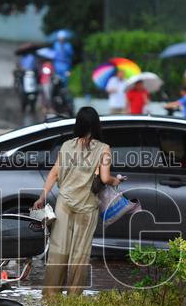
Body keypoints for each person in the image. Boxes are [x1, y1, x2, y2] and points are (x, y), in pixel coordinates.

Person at [33, 106, 124, 296]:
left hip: (64, 204)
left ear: (78, 124)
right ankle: (74, 297)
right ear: (96, 124)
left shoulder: (67, 146)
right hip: (87, 207)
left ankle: (50, 296)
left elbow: (54, 173)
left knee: (58, 251)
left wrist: (42, 196)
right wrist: (117, 180)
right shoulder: (103, 149)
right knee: (79, 254)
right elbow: (106, 179)